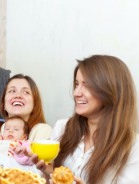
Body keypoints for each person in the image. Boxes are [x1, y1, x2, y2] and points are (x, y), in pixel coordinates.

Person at [31, 55, 139, 184]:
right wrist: (48, 173)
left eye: (86, 85)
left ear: (111, 91)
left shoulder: (132, 147)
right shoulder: (63, 127)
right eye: (76, 84)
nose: (76, 92)